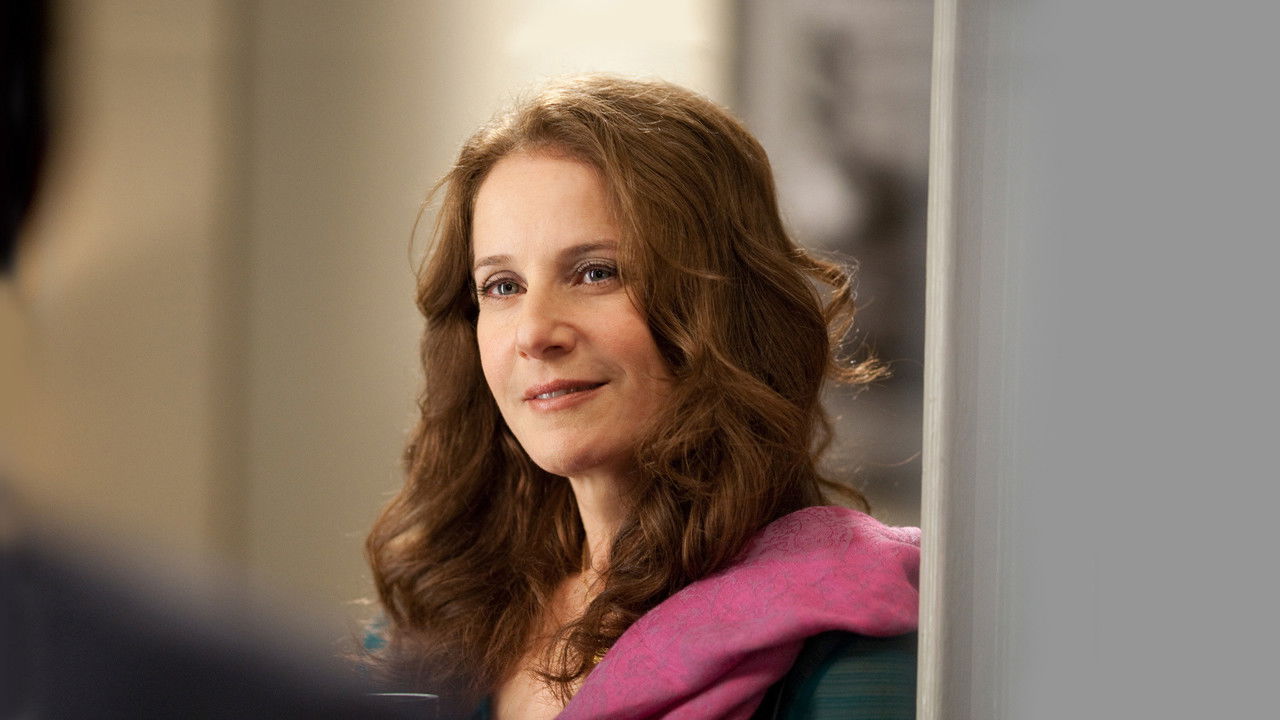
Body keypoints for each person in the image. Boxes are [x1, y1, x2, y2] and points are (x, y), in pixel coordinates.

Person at [364, 74, 920, 720]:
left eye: (595, 273)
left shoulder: (850, 642)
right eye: (502, 286)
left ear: (719, 305)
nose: (534, 333)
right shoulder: (437, 624)